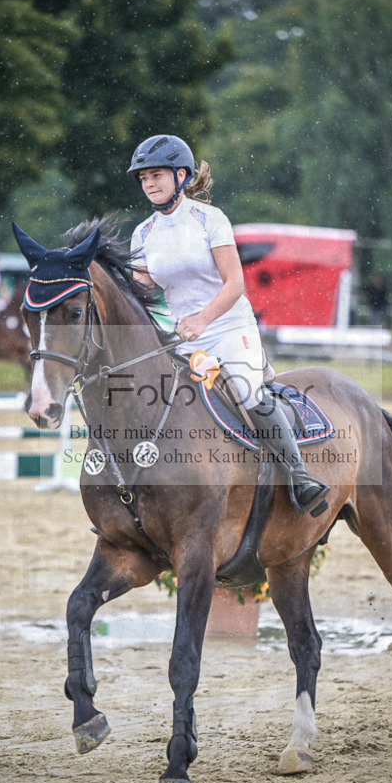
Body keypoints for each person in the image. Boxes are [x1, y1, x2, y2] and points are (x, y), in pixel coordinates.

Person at [128, 133, 329, 517]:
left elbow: (235, 282)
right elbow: (143, 289)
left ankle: (299, 478)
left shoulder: (210, 219)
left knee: (247, 391)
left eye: (155, 175)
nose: (148, 184)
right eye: (143, 178)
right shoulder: (143, 234)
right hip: (182, 337)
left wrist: (203, 319)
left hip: (227, 326)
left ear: (180, 175)